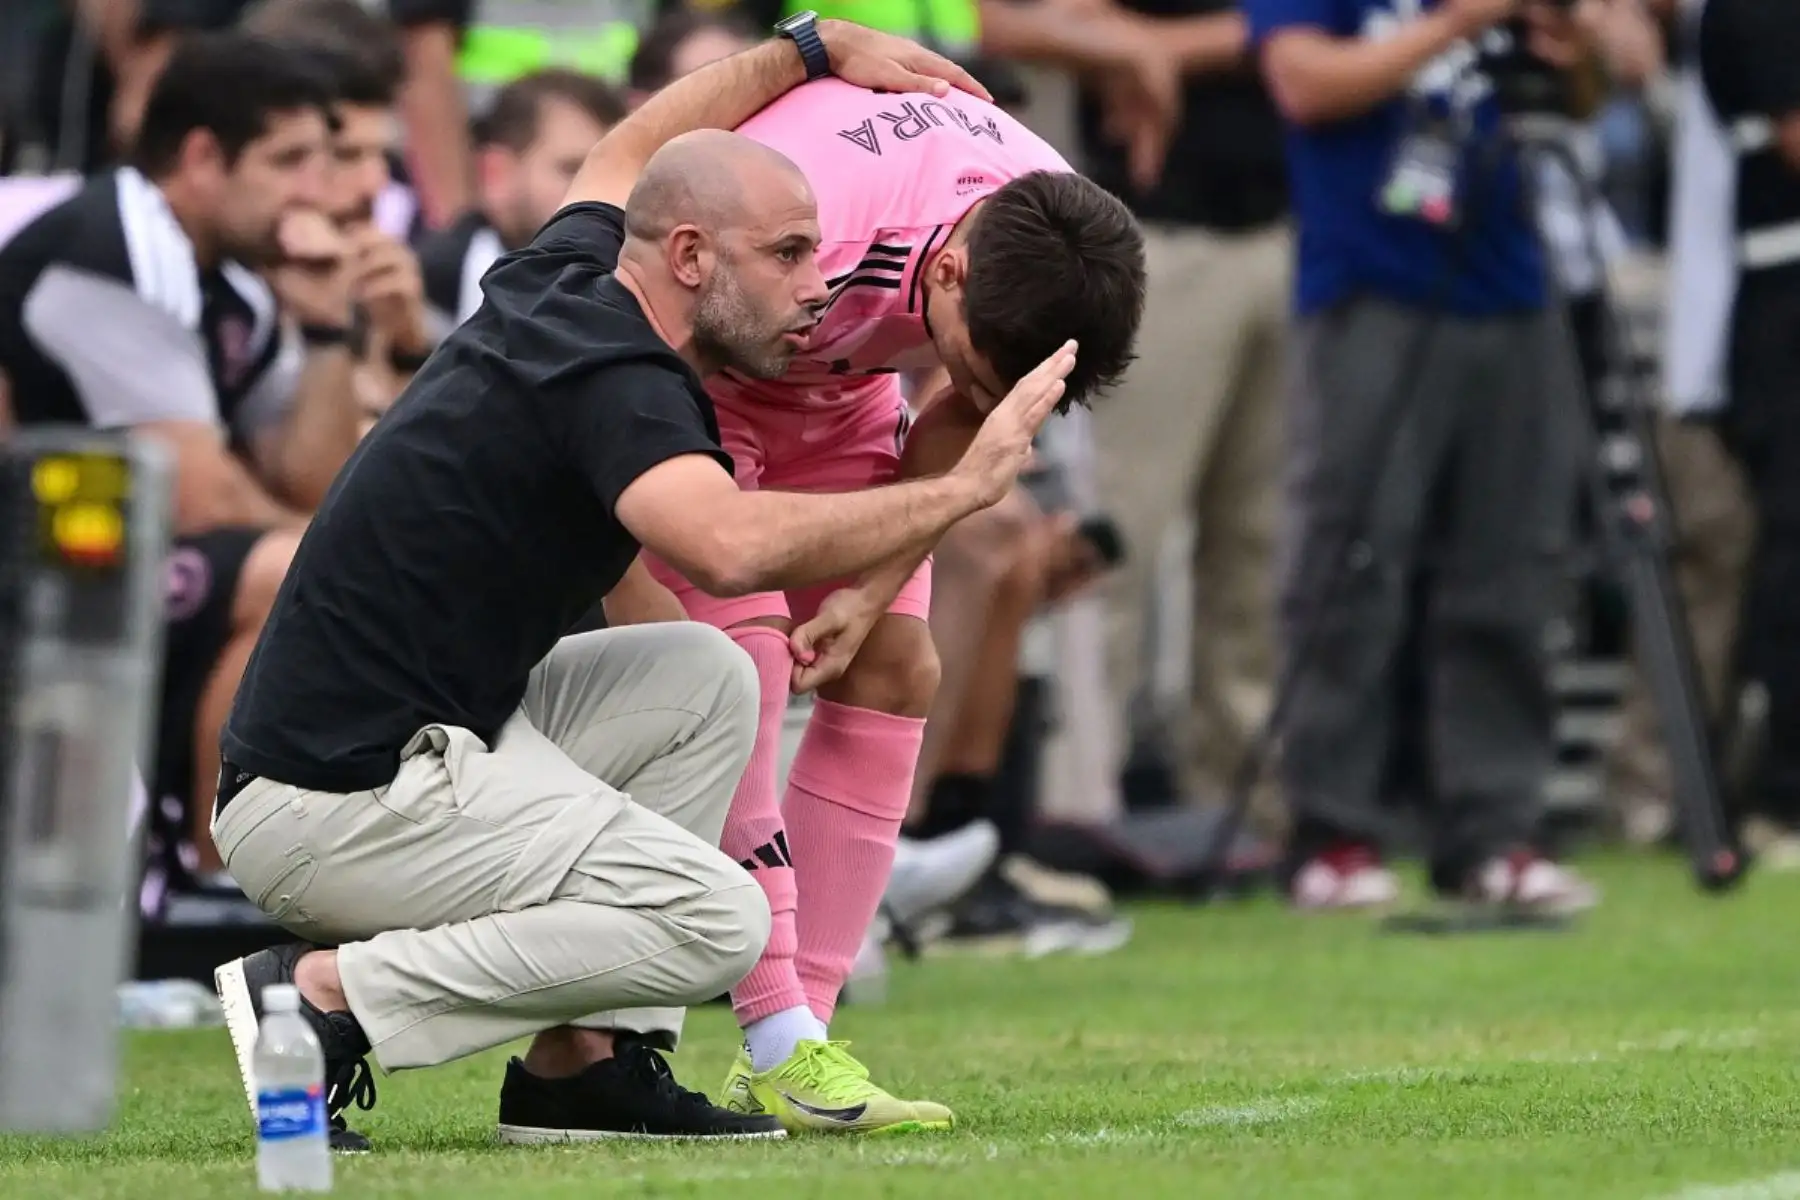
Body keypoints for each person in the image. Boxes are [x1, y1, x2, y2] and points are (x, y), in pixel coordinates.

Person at [207, 21, 1066, 1152]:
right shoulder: (620, 375)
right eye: (789, 255)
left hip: (414, 739)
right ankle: (318, 996)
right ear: (694, 259)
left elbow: (629, 148)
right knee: (719, 920)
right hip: (334, 800)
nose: (822, 292)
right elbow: (727, 547)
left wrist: (808, 51)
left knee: (704, 678)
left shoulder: (576, 267)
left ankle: (586, 1070)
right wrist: (959, 490)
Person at [620, 69, 1144, 1132]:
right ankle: (775, 1026)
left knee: (899, 665)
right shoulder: (828, 208)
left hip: (838, 391)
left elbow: (964, 411)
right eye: (973, 366)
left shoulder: (1058, 246)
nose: (983, 396)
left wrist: (869, 595)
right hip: (698, 377)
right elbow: (644, 286)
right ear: (945, 271)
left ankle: (798, 1041)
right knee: (744, 660)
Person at [1241, 0, 1601, 912]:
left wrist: (1571, 43)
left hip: (1513, 281)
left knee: (1512, 567)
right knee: (1353, 560)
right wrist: (1457, 24)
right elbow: (1302, 82)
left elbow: (1586, 96)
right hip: (1371, 280)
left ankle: (1495, 831)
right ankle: (1333, 832)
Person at [0, 32, 351, 899]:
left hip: (115, 562)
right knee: (286, 572)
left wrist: (326, 331)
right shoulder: (114, 248)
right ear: (201, 158)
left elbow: (311, 483)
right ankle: (214, 879)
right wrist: (374, 556)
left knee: (308, 563)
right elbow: (200, 499)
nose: (317, 193)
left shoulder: (237, 281)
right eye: (289, 161)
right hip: (40, 569)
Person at [420, 69, 628, 329]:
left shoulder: (638, 290)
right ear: (496, 174)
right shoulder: (424, 292)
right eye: (572, 169)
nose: (601, 192)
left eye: (612, 174)